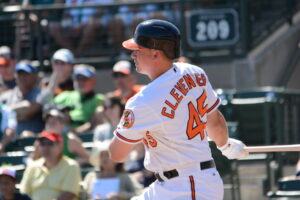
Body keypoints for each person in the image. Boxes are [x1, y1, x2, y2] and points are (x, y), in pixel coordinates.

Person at [108, 19, 249, 200]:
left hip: (184, 187)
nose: (133, 55)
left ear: (155, 54)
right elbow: (215, 122)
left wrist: (123, 126)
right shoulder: (194, 72)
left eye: (138, 50)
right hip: (184, 182)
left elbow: (117, 154)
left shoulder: (143, 101)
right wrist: (225, 145)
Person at [20, 131, 81, 200]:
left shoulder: (71, 166)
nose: (46, 148)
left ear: (60, 146)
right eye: (42, 144)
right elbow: (24, 193)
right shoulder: (33, 167)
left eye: (50, 143)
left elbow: (69, 194)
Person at [53, 64, 104, 134]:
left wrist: (76, 131)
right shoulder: (65, 95)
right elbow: (46, 104)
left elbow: (96, 122)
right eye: (77, 78)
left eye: (84, 79)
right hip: (62, 134)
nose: (80, 82)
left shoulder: (99, 99)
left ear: (93, 81)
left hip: (87, 134)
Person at [0, 61, 44, 136]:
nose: (22, 77)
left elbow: (27, 110)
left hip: (33, 141)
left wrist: (7, 113)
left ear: (34, 76)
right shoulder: (5, 96)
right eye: (19, 73)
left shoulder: (42, 93)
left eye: (26, 74)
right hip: (9, 142)